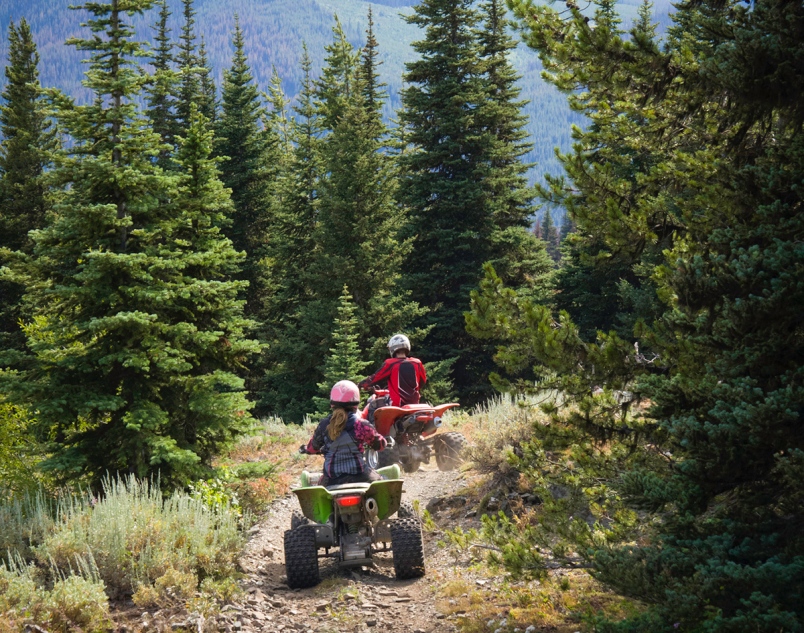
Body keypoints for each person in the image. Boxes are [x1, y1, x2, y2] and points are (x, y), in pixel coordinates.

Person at [303, 380, 388, 487]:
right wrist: (385, 442)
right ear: (356, 402)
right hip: (359, 475)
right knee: (381, 484)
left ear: (332, 402)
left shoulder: (324, 425)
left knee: (319, 493)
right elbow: (379, 445)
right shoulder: (361, 425)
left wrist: (306, 449)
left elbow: (312, 447)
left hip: (331, 479)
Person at [358, 334, 427, 407]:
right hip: (415, 404)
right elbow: (422, 381)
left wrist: (362, 384)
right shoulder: (417, 363)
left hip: (397, 405)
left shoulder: (391, 363)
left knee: (372, 406)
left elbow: (375, 378)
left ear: (392, 348)